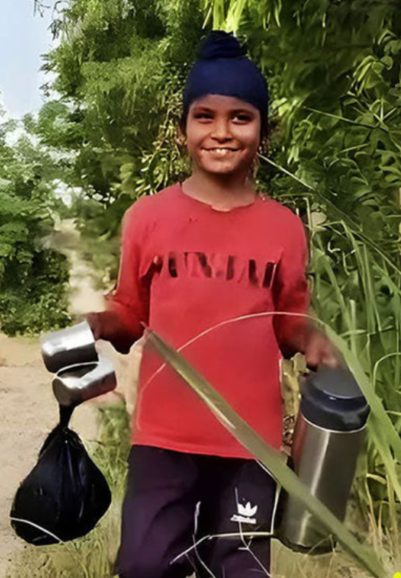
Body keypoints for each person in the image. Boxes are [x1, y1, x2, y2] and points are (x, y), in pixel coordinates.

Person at [86, 31, 338, 578]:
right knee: (145, 566)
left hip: (252, 445)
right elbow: (131, 315)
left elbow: (290, 322)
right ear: (182, 131)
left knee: (241, 569)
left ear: (264, 132)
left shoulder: (284, 229)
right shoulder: (148, 218)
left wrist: (316, 342)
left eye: (240, 118)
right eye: (205, 117)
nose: (222, 133)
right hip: (164, 439)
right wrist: (100, 323)